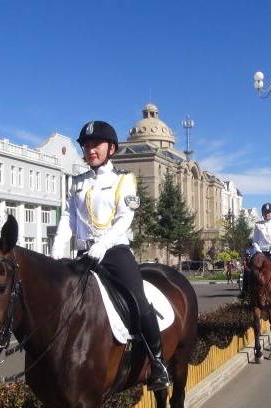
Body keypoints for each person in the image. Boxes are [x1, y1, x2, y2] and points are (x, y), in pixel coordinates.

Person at [50, 120, 170, 391]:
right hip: (82, 254)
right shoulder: (78, 183)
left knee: (138, 300)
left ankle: (158, 362)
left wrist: (102, 245)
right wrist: (57, 253)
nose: (90, 149)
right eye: (86, 145)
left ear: (111, 148)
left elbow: (124, 218)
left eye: (96, 144)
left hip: (114, 251)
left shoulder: (123, 179)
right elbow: (68, 217)